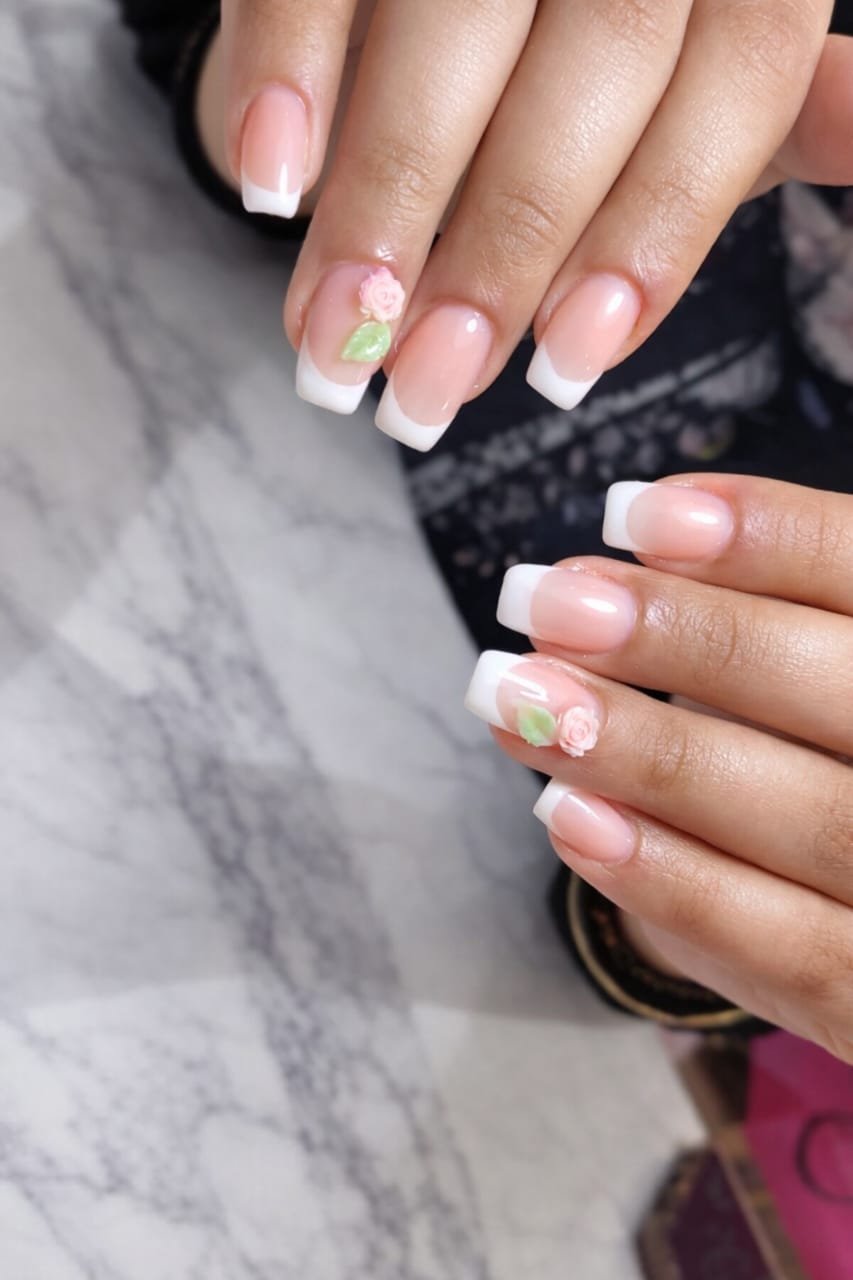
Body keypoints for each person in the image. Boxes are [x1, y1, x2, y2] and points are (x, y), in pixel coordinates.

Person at [116, 0, 853, 1057]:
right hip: (165, 465)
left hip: (391, 960)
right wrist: (316, 93)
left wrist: (701, 903)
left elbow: (636, 958)